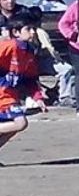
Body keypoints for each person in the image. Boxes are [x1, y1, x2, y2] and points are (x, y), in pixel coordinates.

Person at [0, 14, 46, 153]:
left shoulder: (29, 52)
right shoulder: (9, 46)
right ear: (16, 32)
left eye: (34, 28)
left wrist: (38, 97)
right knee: (20, 123)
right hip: (2, 94)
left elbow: (30, 78)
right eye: (29, 29)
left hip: (10, 96)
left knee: (14, 126)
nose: (33, 32)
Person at [28, 6, 75, 108]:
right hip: (34, 63)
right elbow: (50, 49)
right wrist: (58, 59)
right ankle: (61, 95)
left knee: (67, 69)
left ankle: (61, 95)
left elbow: (49, 49)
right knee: (67, 69)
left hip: (40, 61)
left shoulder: (38, 32)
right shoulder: (36, 32)